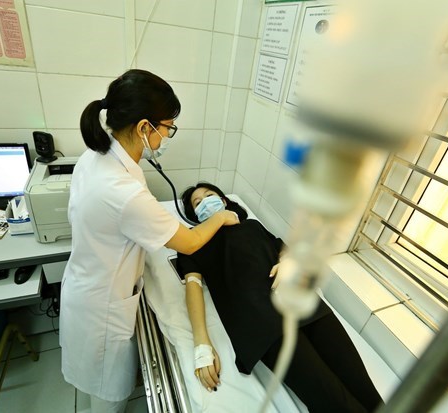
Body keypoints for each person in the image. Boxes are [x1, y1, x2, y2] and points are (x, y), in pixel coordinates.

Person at [59, 70, 240, 413]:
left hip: (88, 281)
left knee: (100, 382)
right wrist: (219, 216)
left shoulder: (97, 157)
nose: (167, 135)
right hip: (103, 308)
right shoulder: (121, 190)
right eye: (167, 127)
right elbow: (187, 243)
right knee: (107, 395)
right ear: (145, 128)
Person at [176, 182, 384, 413]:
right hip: (261, 322)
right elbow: (193, 287)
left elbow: (283, 249)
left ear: (224, 201)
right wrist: (201, 344)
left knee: (367, 392)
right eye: (198, 203)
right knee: (333, 401)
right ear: (195, 215)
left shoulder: (252, 226)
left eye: (210, 195)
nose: (205, 202)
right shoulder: (193, 245)